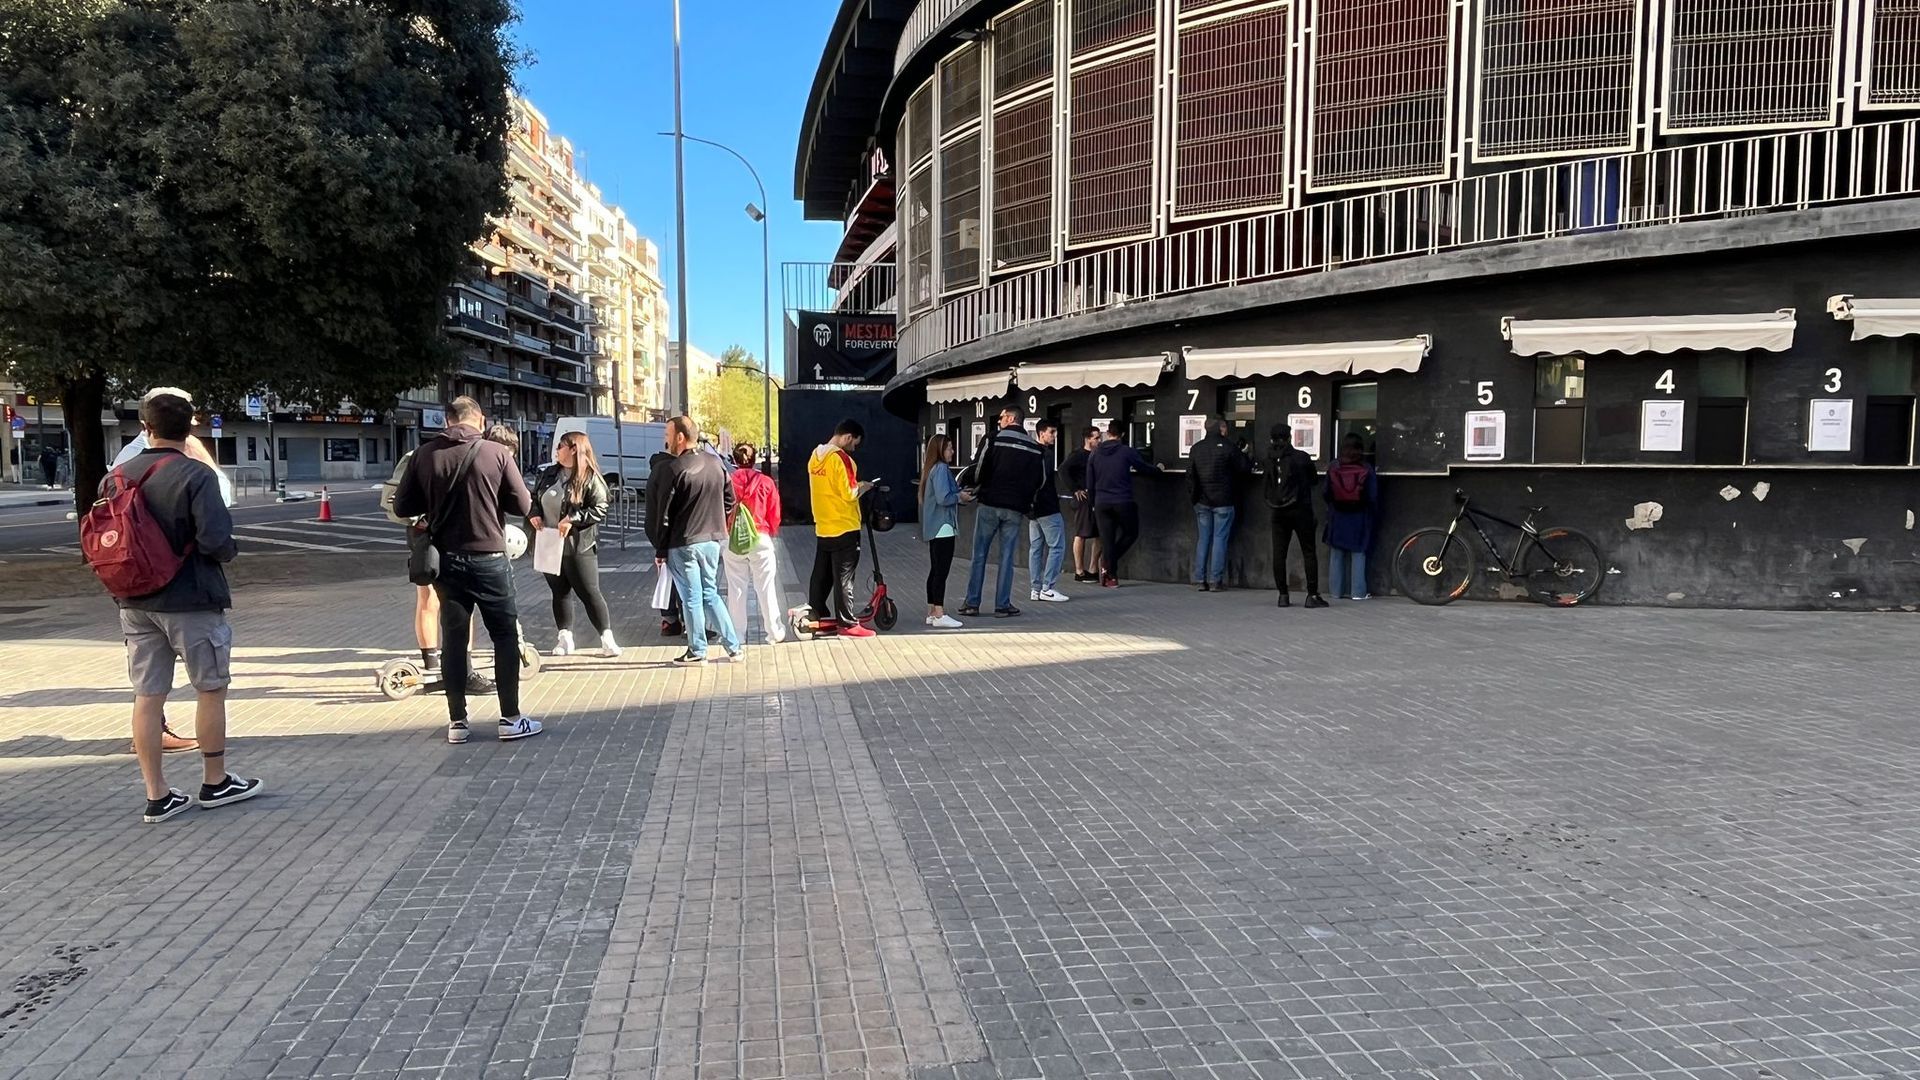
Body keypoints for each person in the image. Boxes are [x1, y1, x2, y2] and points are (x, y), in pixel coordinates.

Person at [106, 390, 263, 823]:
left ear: (146, 427)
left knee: (147, 695)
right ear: (190, 426)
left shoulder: (116, 476)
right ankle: (215, 780)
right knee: (209, 687)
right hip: (191, 596)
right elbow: (216, 541)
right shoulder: (196, 475)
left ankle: (157, 794)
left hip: (134, 598)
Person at [393, 395, 543, 743]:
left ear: (446, 421)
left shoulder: (424, 455)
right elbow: (522, 503)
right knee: (504, 635)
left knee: (455, 641)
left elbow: (403, 506)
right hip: (489, 557)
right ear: (481, 420)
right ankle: (510, 718)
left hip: (446, 561)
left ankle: (457, 723)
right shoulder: (497, 453)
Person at [383, 444, 495, 695]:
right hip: (444, 535)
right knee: (453, 600)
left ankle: (436, 665)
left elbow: (395, 499)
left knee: (430, 599)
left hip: (425, 534)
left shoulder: (417, 455)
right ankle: (457, 670)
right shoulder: (466, 453)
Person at [652, 415, 742, 664]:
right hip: (712, 540)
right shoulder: (716, 463)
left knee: (691, 597)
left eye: (667, 434)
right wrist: (718, 522)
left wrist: (660, 549)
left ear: (680, 437)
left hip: (684, 542)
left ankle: (697, 649)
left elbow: (665, 515)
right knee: (710, 593)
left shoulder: (674, 469)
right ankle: (733, 646)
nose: (665, 439)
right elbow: (730, 500)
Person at [529, 431, 617, 657]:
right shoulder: (549, 473)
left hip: (578, 545)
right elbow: (534, 498)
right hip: (549, 541)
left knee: (589, 592)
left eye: (561, 446)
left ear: (574, 449)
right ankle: (565, 637)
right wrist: (534, 513)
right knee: (559, 593)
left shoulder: (589, 476)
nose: (556, 450)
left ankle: (606, 638)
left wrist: (573, 519)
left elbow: (600, 507)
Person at [961, 405, 1045, 618]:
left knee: (979, 554)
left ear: (1010, 418)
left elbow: (978, 468)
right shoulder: (1036, 448)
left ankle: (972, 603)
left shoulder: (993, 439)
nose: (999, 421)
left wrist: (973, 486)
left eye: (1001, 417)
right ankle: (1002, 605)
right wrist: (1026, 499)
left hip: (989, 503)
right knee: (1007, 557)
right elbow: (1040, 481)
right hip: (1015, 508)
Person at [805, 419, 876, 638]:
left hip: (824, 524)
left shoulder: (815, 458)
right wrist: (864, 486)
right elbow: (849, 492)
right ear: (847, 437)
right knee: (844, 578)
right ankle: (846, 623)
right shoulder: (841, 459)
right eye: (854, 443)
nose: (854, 448)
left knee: (822, 574)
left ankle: (814, 612)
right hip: (845, 526)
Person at [722, 442, 786, 645]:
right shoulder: (766, 482)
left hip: (733, 540)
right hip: (760, 537)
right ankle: (774, 631)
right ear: (754, 458)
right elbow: (775, 513)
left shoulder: (727, 481)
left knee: (736, 588)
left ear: (734, 460)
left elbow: (721, 509)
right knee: (766, 587)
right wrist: (772, 532)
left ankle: (737, 635)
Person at [1085, 422, 1159, 588]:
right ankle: (1108, 564)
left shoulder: (1095, 453)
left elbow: (1090, 481)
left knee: (1107, 539)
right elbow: (1142, 468)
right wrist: (1158, 470)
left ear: (1107, 433)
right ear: (1123, 434)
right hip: (1123, 500)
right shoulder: (1127, 451)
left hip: (1101, 502)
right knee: (1131, 533)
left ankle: (1110, 576)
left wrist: (1092, 503)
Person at [1265, 422, 1327, 609]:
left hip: (1277, 510)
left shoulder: (1268, 458)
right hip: (1301, 509)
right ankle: (1312, 595)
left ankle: (1283, 595)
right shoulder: (1301, 457)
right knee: (1308, 551)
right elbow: (1314, 480)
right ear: (1290, 437)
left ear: (1271, 439)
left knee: (1279, 553)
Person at [1187, 418, 1252, 591]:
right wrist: (1245, 453)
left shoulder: (1196, 448)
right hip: (1224, 500)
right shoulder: (1229, 447)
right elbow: (1244, 468)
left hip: (1201, 501)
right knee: (1219, 539)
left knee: (1203, 539)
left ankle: (1200, 579)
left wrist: (1194, 498)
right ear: (1221, 429)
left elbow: (1191, 476)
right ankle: (1216, 581)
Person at [1325, 434, 1380, 601]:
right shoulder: (1366, 468)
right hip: (1360, 515)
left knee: (1336, 553)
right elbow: (1372, 495)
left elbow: (1326, 492)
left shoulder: (1334, 466)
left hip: (1338, 515)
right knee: (1359, 552)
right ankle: (1358, 592)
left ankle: (1335, 591)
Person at [919, 434, 963, 629]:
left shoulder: (930, 470)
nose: (952, 452)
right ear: (940, 450)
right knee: (941, 572)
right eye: (949, 448)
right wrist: (960, 496)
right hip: (944, 526)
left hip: (932, 526)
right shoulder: (942, 469)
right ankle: (939, 613)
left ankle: (931, 611)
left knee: (935, 570)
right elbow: (944, 498)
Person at [644, 448, 688, 637]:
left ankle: (669, 621)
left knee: (666, 578)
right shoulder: (670, 470)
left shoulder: (656, 471)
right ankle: (686, 622)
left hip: (657, 533)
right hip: (673, 535)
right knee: (680, 580)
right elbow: (667, 509)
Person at [1026, 419, 1069, 603]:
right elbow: (1044, 481)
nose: (1054, 436)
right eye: (1051, 432)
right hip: (1047, 507)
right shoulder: (1046, 454)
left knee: (1035, 548)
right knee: (1057, 547)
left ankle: (1035, 589)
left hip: (1032, 508)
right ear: (1041, 433)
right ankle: (1048, 587)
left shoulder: (1028, 452)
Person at [1063, 427, 1102, 583]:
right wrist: (1075, 489)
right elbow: (1063, 470)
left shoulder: (1099, 455)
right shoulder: (1077, 455)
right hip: (1083, 499)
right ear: (1088, 439)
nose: (1099, 440)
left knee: (1099, 534)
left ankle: (1093, 569)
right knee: (1082, 534)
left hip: (1097, 497)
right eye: (1097, 438)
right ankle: (1079, 571)